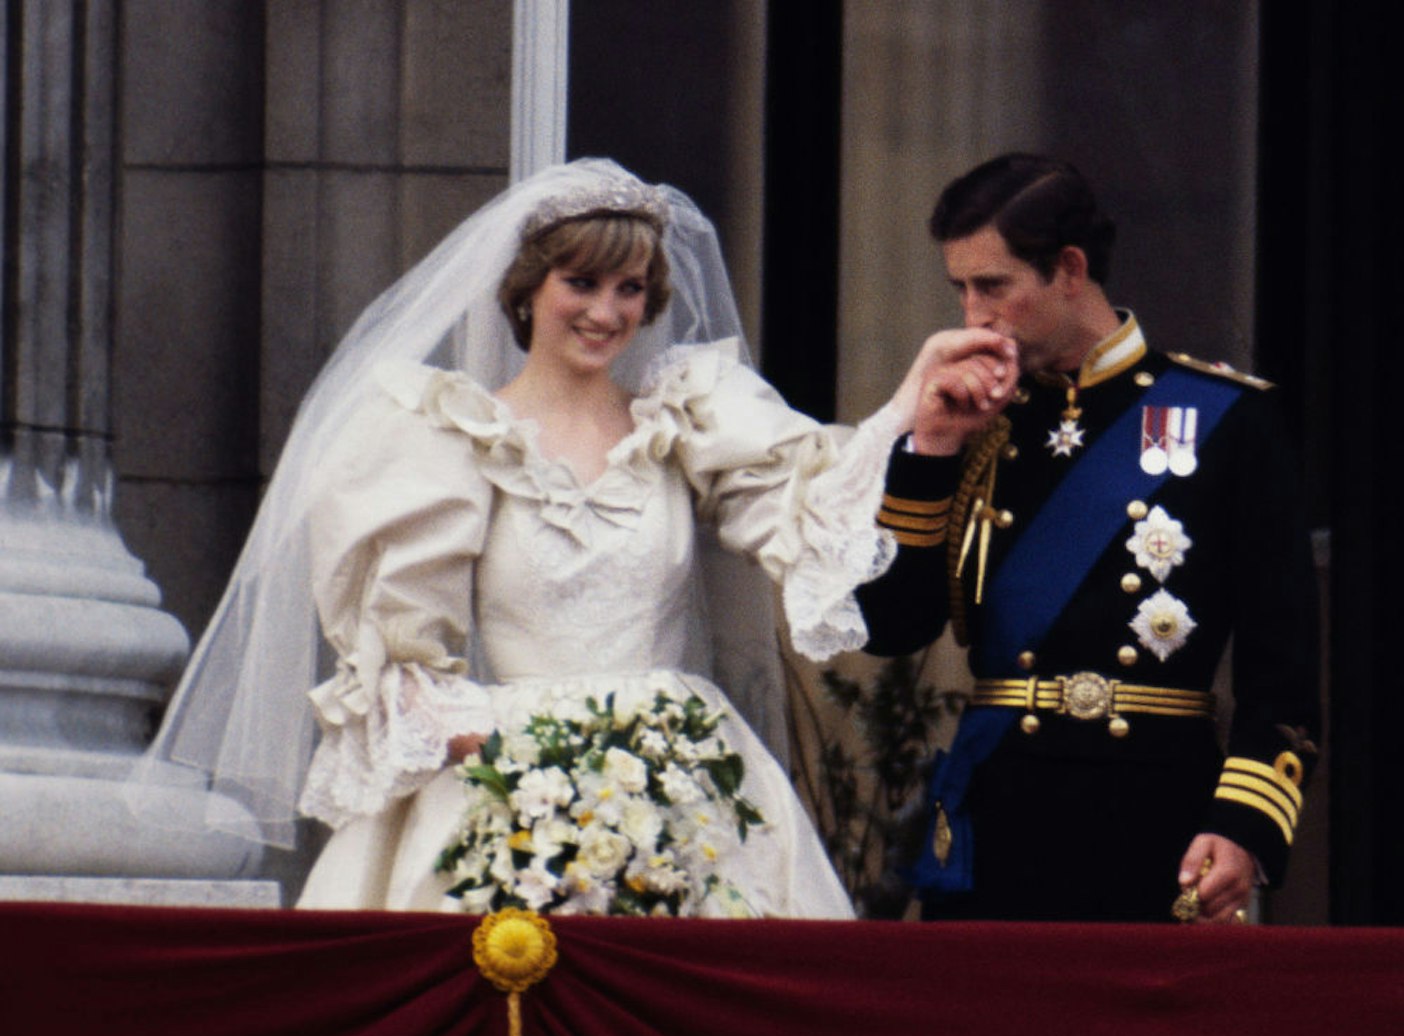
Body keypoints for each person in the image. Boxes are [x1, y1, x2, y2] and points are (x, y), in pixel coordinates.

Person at [131, 158, 1012, 918]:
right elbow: (405, 667)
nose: (607, 311)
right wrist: (543, 772)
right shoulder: (446, 437)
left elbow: (813, 509)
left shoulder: (686, 420)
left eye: (630, 289)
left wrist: (909, 414)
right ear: (526, 291)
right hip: (510, 782)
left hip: (688, 782)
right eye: (581, 284)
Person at [856, 153, 1321, 924]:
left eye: (993, 286)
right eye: (961, 289)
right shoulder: (969, 421)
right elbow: (888, 626)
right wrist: (929, 452)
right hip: (998, 818)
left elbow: (1286, 665)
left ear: (1069, 269)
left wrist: (1243, 824)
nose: (972, 315)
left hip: (1156, 815)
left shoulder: (1228, 420)